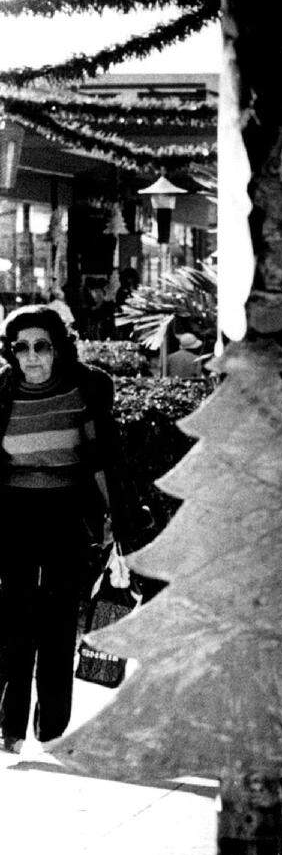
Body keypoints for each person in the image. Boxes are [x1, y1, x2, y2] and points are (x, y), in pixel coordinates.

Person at [0, 306, 136, 753]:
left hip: (68, 515)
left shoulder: (89, 387)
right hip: (13, 515)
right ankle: (11, 728)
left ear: (58, 349)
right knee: (13, 620)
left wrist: (116, 517)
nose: (32, 356)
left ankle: (54, 730)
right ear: (11, 353)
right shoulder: (1, 391)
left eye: (42, 346)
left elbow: (105, 457)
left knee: (59, 623)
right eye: (21, 347)